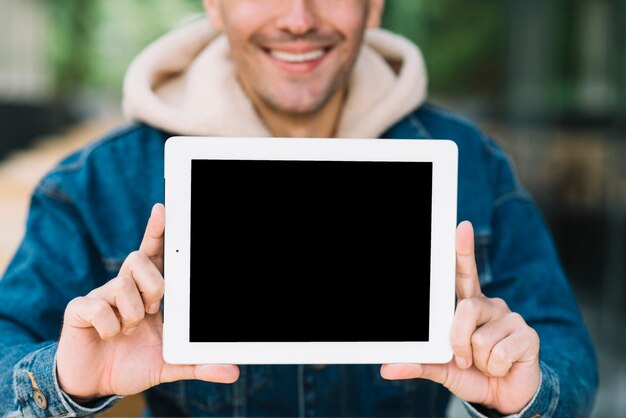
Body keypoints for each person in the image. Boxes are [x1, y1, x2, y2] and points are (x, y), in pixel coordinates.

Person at [0, 0, 597, 417]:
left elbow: (566, 352)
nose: (299, 18)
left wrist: (527, 389)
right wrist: (66, 379)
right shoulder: (97, 183)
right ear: (214, 3)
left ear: (374, 4)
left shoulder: (472, 164)